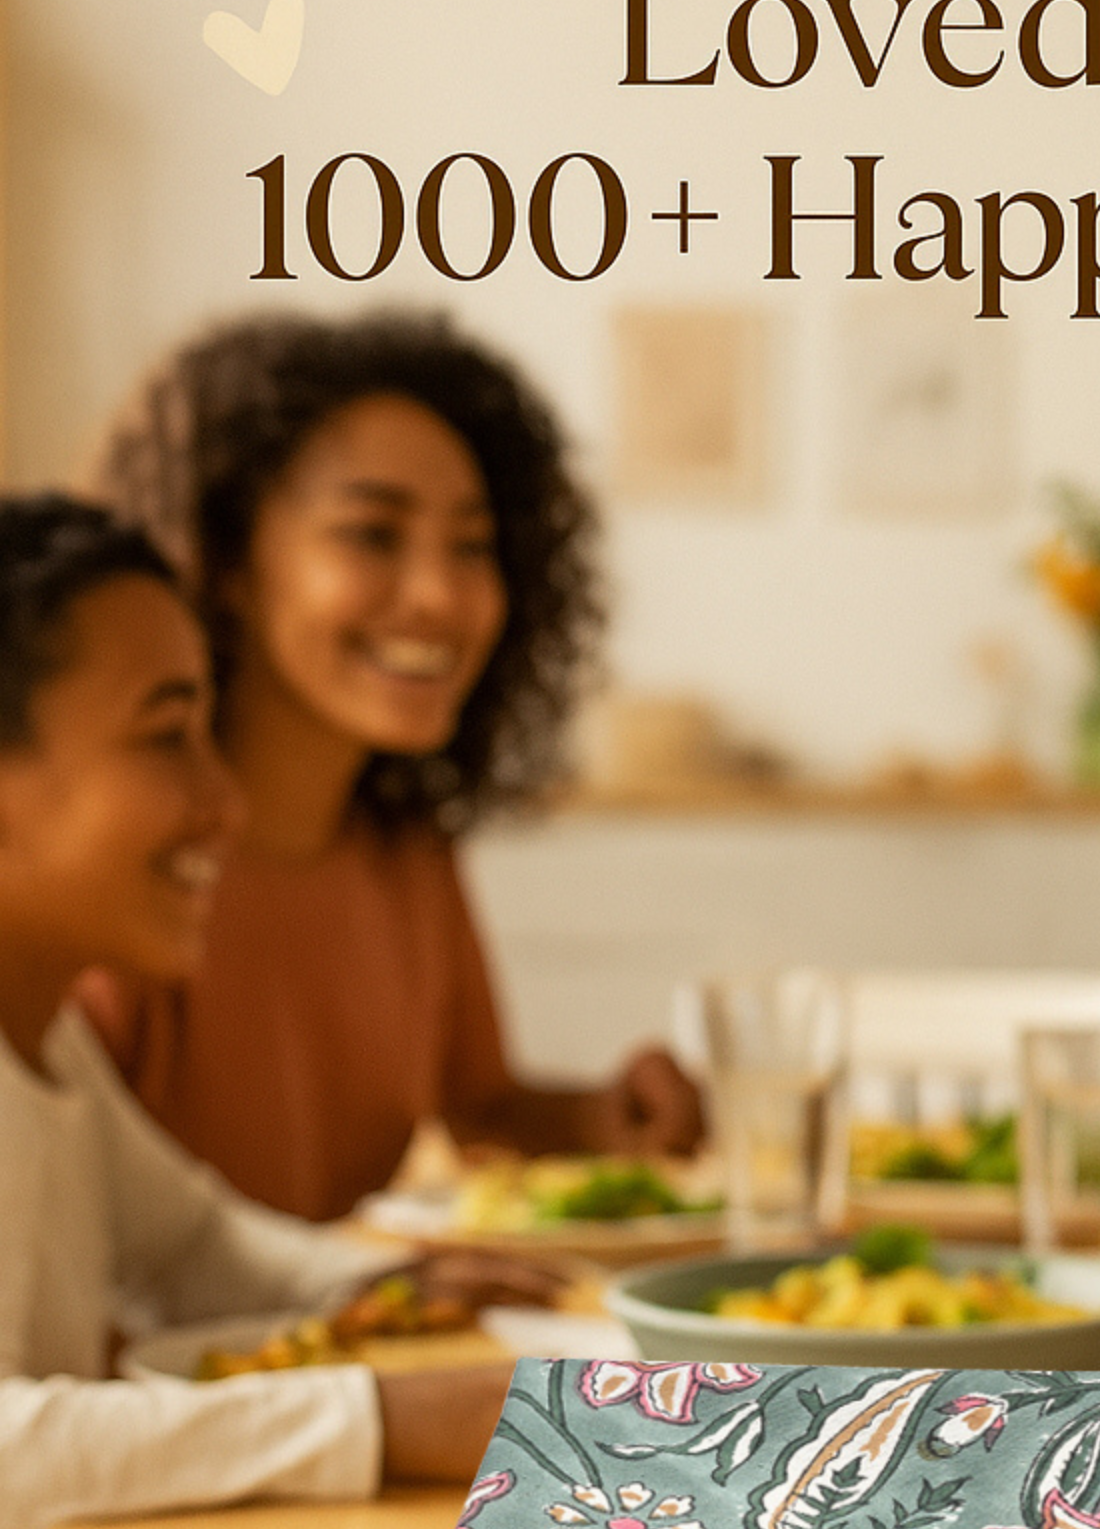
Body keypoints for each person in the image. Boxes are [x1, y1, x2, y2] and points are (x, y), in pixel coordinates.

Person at [77, 312, 703, 1220]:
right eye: (372, 534)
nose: (442, 596)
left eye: (473, 546)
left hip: (324, 1347)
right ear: (224, 563)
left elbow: (479, 1109)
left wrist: (605, 1115)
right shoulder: (121, 862)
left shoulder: (405, 852)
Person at [0, 495, 530, 1529]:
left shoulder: (42, 1031)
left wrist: (378, 1283)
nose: (222, 801)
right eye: (166, 737)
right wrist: (378, 1419)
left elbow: (188, 1240)